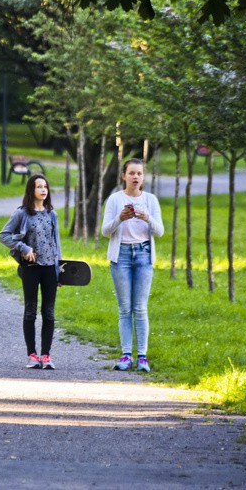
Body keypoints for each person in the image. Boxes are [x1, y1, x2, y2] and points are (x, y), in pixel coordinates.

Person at [101, 158, 164, 373]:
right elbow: (105, 231)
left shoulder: (151, 200)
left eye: (139, 173)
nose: (135, 177)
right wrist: (120, 218)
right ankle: (126, 355)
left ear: (143, 177)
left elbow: (160, 231)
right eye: (132, 173)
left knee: (140, 308)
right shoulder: (115, 200)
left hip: (144, 255)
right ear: (124, 176)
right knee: (125, 308)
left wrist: (147, 218)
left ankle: (142, 357)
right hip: (122, 257)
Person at [0, 174, 62, 370]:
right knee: (31, 311)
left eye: (45, 187)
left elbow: (56, 243)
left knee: (49, 312)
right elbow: (3, 236)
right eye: (39, 187)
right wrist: (23, 248)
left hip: (50, 267)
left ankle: (46, 355)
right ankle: (32, 355)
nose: (43, 190)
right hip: (31, 269)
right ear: (31, 190)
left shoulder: (52, 214)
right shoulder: (22, 214)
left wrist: (59, 270)